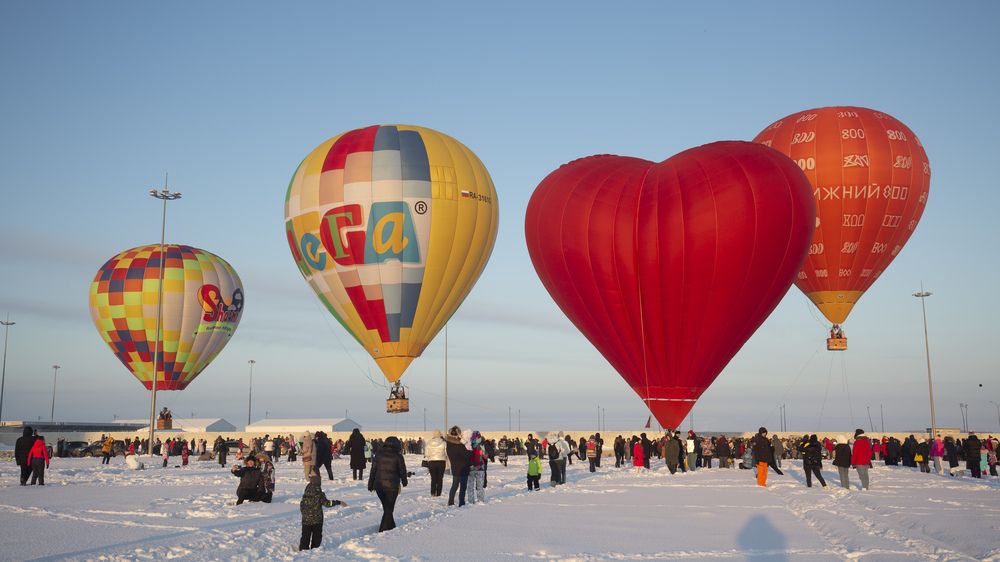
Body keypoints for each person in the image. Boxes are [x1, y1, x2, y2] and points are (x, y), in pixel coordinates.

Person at [368, 436, 408, 532]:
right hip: (392, 486)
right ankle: (382, 530)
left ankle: (391, 527)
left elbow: (373, 470)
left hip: (379, 486)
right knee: (389, 509)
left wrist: (370, 483)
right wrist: (404, 481)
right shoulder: (398, 456)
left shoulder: (378, 455)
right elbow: (402, 470)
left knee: (387, 508)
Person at [299, 475, 346, 550]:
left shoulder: (305, 493)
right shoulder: (319, 494)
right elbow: (327, 503)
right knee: (317, 536)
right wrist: (338, 502)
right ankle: (315, 549)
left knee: (305, 535)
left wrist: (305, 514)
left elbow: (301, 505)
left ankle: (303, 549)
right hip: (317, 520)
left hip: (306, 520)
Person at [446, 426, 470, 507]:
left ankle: (450, 501)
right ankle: (461, 503)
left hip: (455, 468)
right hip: (463, 468)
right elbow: (467, 455)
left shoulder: (448, 445)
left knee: (454, 486)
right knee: (463, 487)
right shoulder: (460, 445)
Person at [423, 429, 447, 497]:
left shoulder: (429, 442)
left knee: (433, 478)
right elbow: (446, 453)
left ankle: (433, 492)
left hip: (432, 462)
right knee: (440, 478)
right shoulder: (444, 443)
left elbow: (426, 454)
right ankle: (438, 493)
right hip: (441, 462)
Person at [468, 431, 488, 504]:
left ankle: (471, 501)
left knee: (470, 486)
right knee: (480, 486)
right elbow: (485, 456)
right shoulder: (481, 446)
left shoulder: (469, 445)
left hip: (471, 468)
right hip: (480, 468)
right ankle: (480, 500)